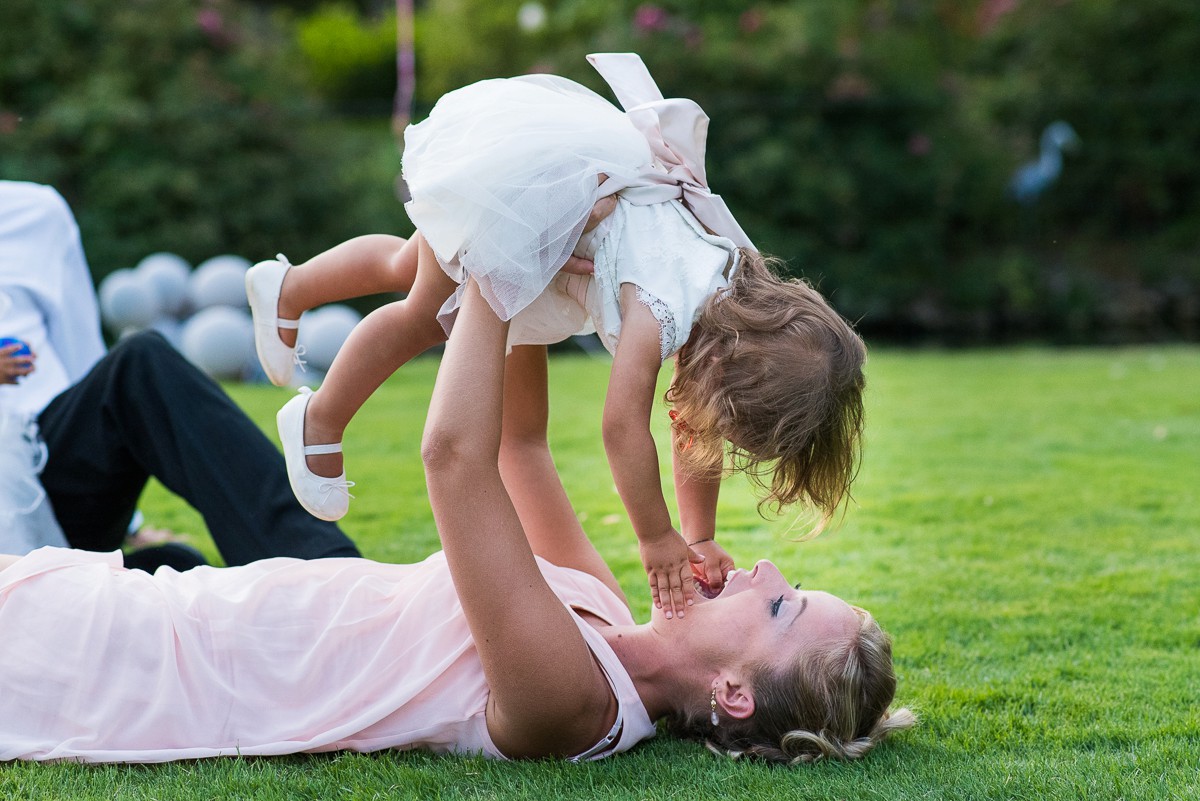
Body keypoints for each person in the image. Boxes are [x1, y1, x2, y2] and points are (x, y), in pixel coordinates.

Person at [0, 276, 914, 764]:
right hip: (240, 607)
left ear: (735, 695)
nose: (759, 571)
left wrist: (491, 267)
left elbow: (455, 459)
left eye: (779, 607)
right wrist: (557, 276)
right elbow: (519, 445)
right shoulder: (595, 607)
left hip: (166, 660)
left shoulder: (576, 704)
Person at [248, 53, 868, 617]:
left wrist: (697, 535)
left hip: (561, 179)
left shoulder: (728, 283)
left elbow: (688, 431)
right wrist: (656, 538)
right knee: (423, 313)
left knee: (403, 266)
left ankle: (290, 288)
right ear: (730, 377)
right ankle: (320, 421)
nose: (702, 430)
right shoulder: (660, 309)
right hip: (536, 192)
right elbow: (623, 426)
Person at [0, 180, 358, 567]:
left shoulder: (36, 211)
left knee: (140, 361)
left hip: (49, 456)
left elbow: (80, 352)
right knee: (175, 564)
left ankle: (321, 564)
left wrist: (130, 525)